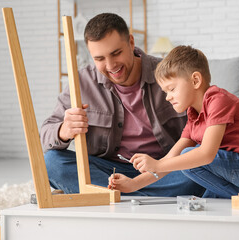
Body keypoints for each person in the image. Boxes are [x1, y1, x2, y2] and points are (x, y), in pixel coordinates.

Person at [40, 13, 205, 196]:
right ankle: (137, 197)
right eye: (99, 59)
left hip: (162, 170)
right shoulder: (80, 82)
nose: (110, 66)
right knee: (51, 162)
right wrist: (64, 130)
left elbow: (205, 126)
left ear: (131, 43)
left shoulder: (168, 74)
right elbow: (46, 133)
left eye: (116, 53)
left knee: (204, 164)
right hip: (108, 171)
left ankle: (111, 197)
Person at [109, 45, 239, 198]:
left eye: (172, 89)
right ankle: (238, 199)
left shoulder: (217, 99)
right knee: (193, 174)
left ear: (196, 80)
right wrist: (133, 184)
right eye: (165, 91)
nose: (167, 97)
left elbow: (206, 154)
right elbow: (170, 159)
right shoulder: (193, 117)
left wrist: (157, 164)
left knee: (191, 158)